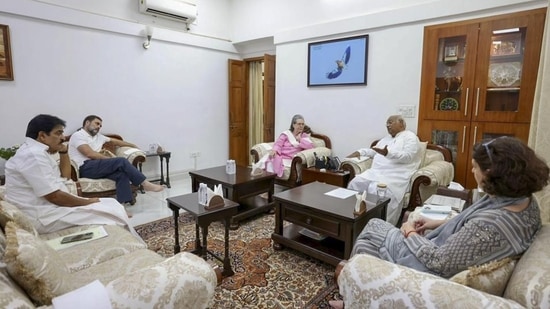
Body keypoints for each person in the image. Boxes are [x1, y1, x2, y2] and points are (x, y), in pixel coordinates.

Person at [329, 136, 549, 309]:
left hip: (429, 267)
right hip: (441, 247)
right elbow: (469, 228)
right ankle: (356, 293)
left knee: (372, 228)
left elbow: (439, 261)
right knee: (375, 232)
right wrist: (437, 223)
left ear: (492, 172)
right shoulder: (523, 201)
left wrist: (409, 232)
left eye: (475, 167)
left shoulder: (491, 226)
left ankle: (353, 291)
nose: (472, 171)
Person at [5, 114, 143, 241]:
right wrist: (88, 202)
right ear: (42, 136)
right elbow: (54, 197)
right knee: (115, 214)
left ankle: (136, 244)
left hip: (51, 207)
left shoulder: (38, 152)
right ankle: (135, 246)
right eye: (58, 133)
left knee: (113, 204)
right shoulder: (33, 155)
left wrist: (64, 150)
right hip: (44, 215)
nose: (63, 137)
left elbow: (65, 176)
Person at [68, 115, 163, 204]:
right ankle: (145, 183)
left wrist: (133, 145)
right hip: (85, 167)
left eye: (100, 125)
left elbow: (117, 141)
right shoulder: (78, 135)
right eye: (97, 123)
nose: (99, 127)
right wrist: (110, 161)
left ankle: (121, 207)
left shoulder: (99, 137)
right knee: (121, 161)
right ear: (87, 123)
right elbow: (90, 154)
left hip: (98, 166)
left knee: (121, 175)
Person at [346, 115, 423, 225]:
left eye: (391, 122)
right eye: (387, 123)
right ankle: (353, 219)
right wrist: (360, 152)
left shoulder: (411, 137)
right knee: (355, 183)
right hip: (375, 172)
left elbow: (408, 157)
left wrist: (388, 153)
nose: (387, 125)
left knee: (376, 189)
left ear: (401, 123)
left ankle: (379, 226)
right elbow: (374, 151)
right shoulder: (385, 139)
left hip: (396, 174)